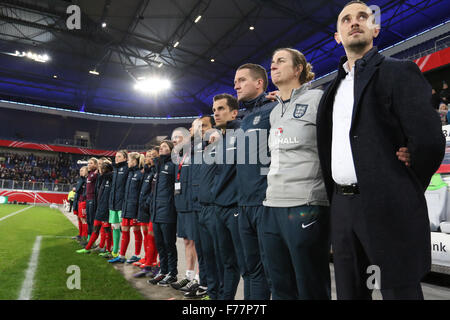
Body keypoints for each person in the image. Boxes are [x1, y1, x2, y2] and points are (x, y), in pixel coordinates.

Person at [316, 0, 445, 300]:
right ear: (338, 36)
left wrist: (408, 179)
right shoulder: (331, 91)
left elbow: (428, 140)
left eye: (363, 16)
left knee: (398, 291)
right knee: (350, 292)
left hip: (388, 204)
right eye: (346, 19)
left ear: (375, 28)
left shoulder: (399, 71)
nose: (354, 22)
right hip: (343, 206)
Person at [261, 48, 330, 300]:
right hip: (271, 205)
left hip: (306, 204)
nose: (273, 66)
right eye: (272, 62)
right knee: (280, 286)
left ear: (298, 68)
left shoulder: (318, 99)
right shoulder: (273, 112)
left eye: (280, 61)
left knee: (309, 286)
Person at [233, 63, 277, 299]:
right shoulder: (243, 119)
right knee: (250, 271)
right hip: (244, 205)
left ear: (259, 83)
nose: (236, 86)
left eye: (241, 80)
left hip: (265, 203)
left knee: (271, 272)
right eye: (235, 82)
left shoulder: (273, 110)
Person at [211, 93, 251, 300]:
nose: (216, 113)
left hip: (237, 207)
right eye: (214, 109)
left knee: (247, 266)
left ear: (234, 112)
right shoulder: (221, 139)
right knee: (227, 262)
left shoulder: (244, 133)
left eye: (221, 109)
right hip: (220, 207)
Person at [181, 116, 214, 299]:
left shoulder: (212, 144)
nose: (194, 129)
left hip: (208, 203)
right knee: (201, 248)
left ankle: (209, 285)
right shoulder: (193, 148)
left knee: (210, 249)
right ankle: (203, 282)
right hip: (195, 202)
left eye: (202, 127)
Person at [171, 128, 199, 290]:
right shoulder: (178, 158)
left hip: (193, 204)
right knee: (187, 241)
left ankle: (198, 277)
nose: (174, 140)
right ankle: (188, 275)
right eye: (173, 138)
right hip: (181, 204)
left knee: (197, 242)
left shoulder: (195, 153)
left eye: (177, 137)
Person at [148, 140, 178, 286]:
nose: (162, 149)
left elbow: (177, 188)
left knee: (169, 244)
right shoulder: (157, 166)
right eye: (161, 147)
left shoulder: (173, 166)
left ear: (171, 150)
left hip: (167, 211)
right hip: (156, 211)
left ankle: (172, 273)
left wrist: (172, 205)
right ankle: (163, 271)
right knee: (160, 244)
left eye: (165, 147)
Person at [109, 152, 145, 263]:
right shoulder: (130, 173)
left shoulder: (140, 173)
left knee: (136, 230)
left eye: (129, 160)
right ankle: (122, 256)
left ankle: (137, 255)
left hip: (134, 208)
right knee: (124, 230)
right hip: (125, 206)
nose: (128, 162)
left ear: (134, 161)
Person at [133, 147, 160, 278]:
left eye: (152, 155)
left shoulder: (156, 171)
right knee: (149, 236)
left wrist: (148, 202)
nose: (149, 158)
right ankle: (149, 261)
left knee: (153, 236)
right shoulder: (148, 172)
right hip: (147, 207)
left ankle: (154, 263)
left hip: (153, 208)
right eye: (148, 155)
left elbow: (153, 191)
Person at [76, 160, 114, 254]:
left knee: (107, 230)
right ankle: (88, 248)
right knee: (95, 228)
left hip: (106, 209)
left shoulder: (111, 179)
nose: (100, 170)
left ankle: (108, 250)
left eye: (102, 168)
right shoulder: (101, 179)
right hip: (99, 207)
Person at [107, 150, 129, 259]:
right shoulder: (115, 169)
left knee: (123, 228)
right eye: (116, 156)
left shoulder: (127, 169)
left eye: (119, 156)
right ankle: (114, 251)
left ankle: (121, 253)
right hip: (113, 203)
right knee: (114, 227)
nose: (116, 158)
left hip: (122, 204)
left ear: (125, 158)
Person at [72, 167, 87, 242]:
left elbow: (78, 190)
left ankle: (84, 236)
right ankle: (80, 234)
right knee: (79, 218)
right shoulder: (80, 179)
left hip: (82, 201)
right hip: (78, 201)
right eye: (80, 170)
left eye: (82, 170)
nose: (80, 172)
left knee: (83, 219)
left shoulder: (85, 180)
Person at [85, 158, 99, 239]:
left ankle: (91, 240)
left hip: (93, 199)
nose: (89, 164)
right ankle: (89, 238)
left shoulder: (95, 174)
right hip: (88, 199)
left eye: (91, 163)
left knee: (91, 220)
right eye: (88, 163)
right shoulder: (89, 174)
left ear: (95, 165)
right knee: (88, 220)